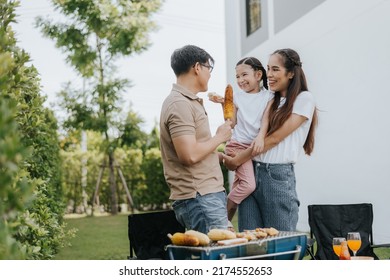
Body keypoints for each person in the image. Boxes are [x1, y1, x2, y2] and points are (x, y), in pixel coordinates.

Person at [223, 48, 318, 232]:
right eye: (268, 69)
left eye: (275, 69)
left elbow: (274, 139)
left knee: (280, 241)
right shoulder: (269, 98)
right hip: (252, 169)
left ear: (290, 73)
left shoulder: (303, 99)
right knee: (250, 242)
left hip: (276, 177)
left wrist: (237, 159)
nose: (269, 74)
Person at [159, 45, 232, 234]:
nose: (210, 74)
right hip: (200, 197)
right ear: (197, 67)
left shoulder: (186, 101)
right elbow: (189, 155)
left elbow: (194, 150)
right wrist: (220, 137)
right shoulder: (180, 104)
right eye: (209, 68)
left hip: (205, 196)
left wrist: (219, 156)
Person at [209, 57, 273, 224]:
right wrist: (223, 103)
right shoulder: (237, 97)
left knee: (239, 186)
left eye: (244, 75)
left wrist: (260, 137)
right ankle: (220, 218)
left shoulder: (269, 96)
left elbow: (266, 121)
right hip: (237, 147)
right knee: (248, 186)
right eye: (237, 76)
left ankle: (224, 225)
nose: (240, 80)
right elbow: (233, 122)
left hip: (253, 148)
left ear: (258, 75)